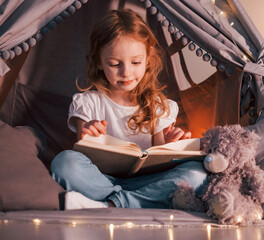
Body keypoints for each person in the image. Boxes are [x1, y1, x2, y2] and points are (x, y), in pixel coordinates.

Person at [51, 9, 207, 210]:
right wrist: (88, 130)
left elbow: (160, 156)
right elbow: (81, 147)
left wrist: (170, 145)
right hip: (101, 180)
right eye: (115, 64)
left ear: (147, 60)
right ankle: (134, 203)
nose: (126, 72)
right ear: (98, 61)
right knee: (64, 162)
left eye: (135, 62)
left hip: (146, 182)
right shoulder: (87, 102)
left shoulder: (159, 106)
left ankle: (108, 205)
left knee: (198, 174)